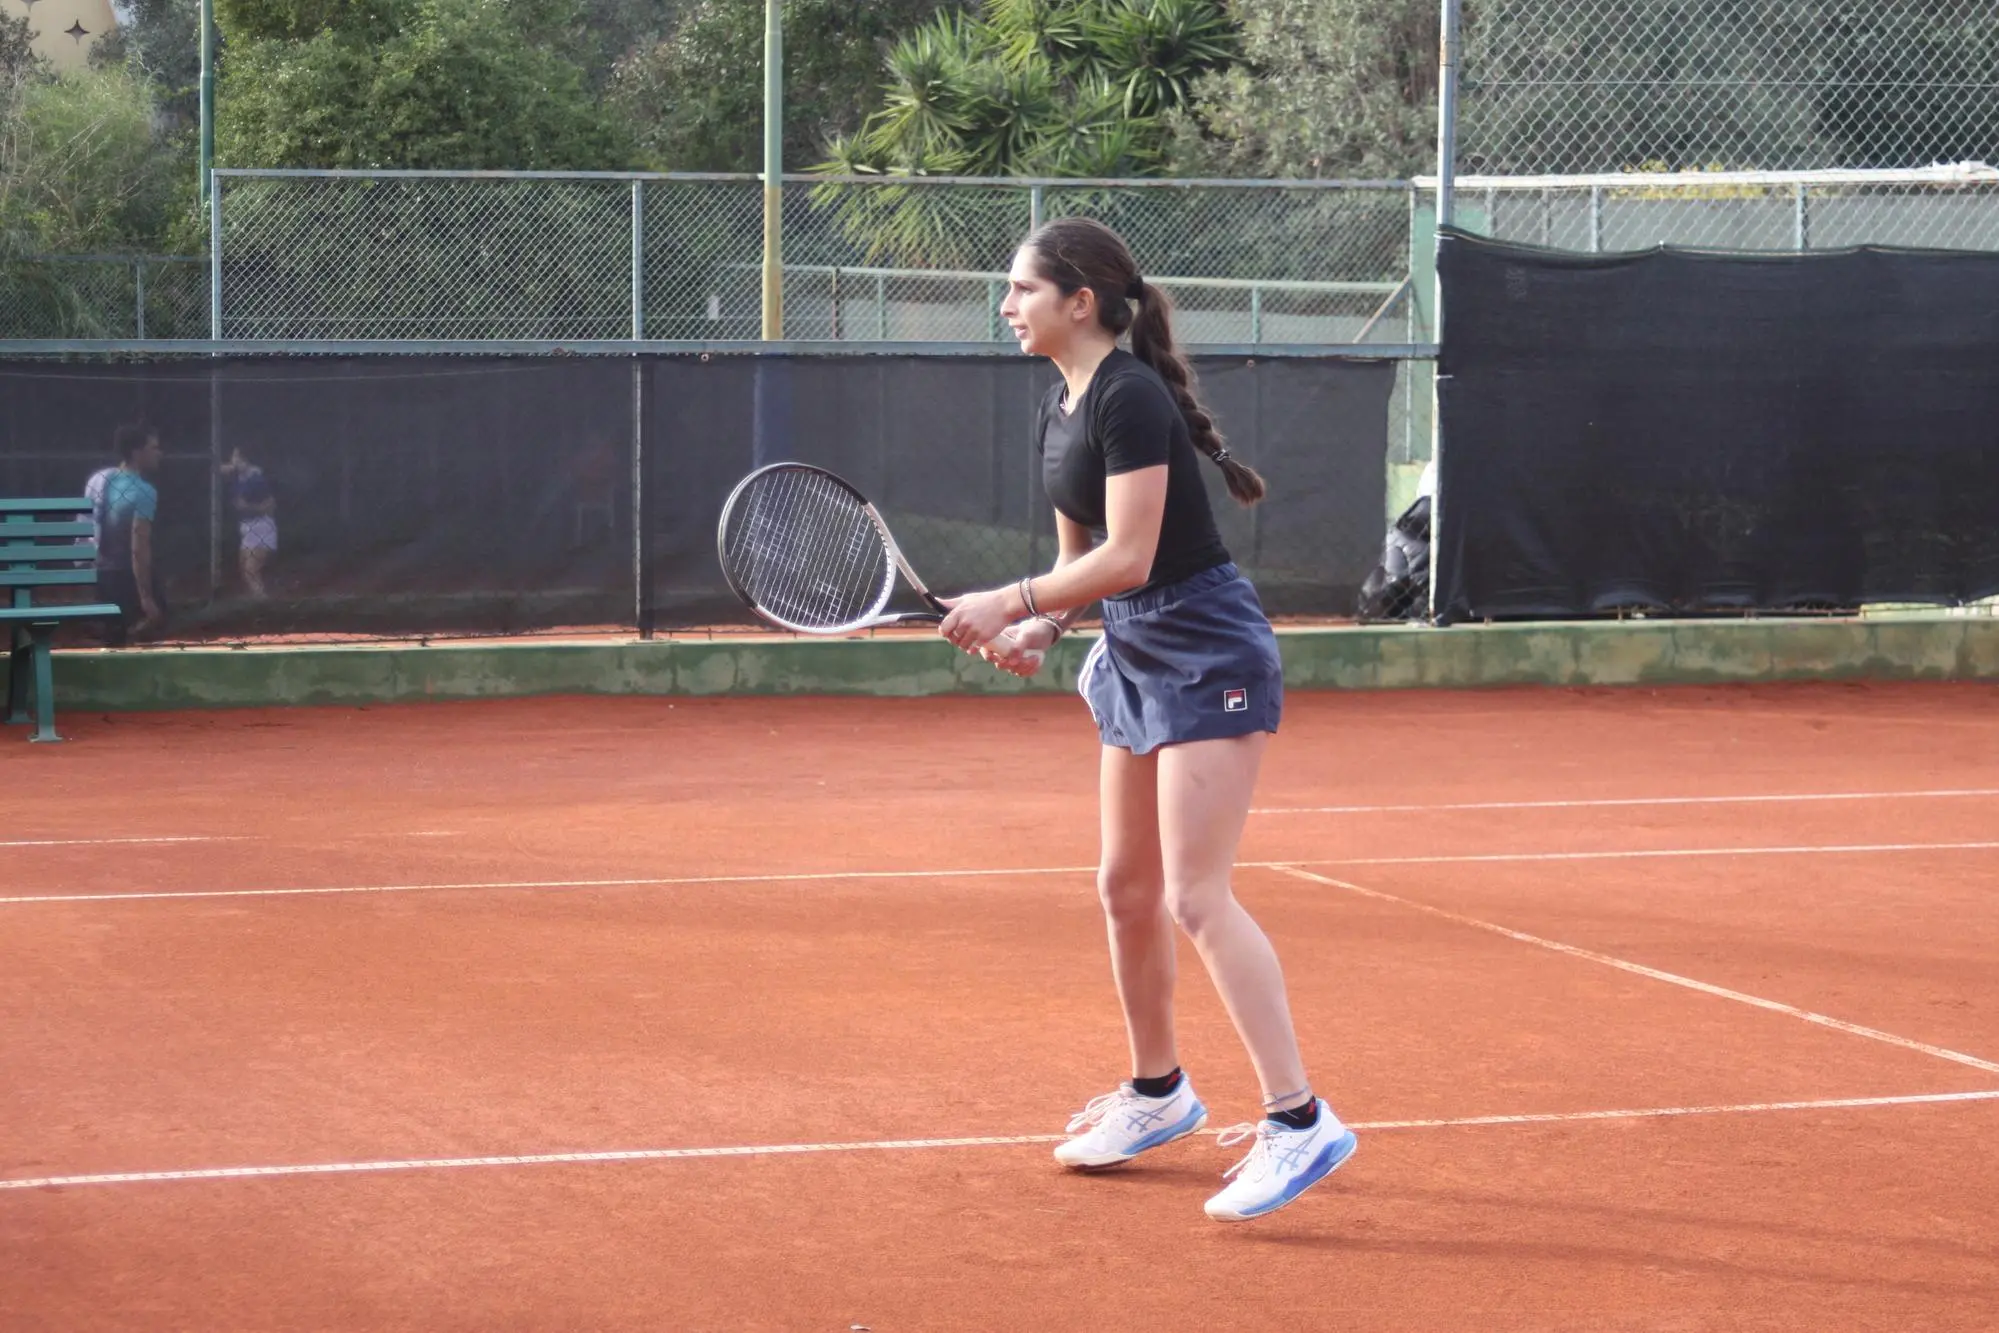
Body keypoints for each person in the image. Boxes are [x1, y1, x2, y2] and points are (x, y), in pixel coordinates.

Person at [937, 217, 1356, 1223]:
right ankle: (1158, 1092)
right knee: (1124, 887)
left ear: (1079, 301)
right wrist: (1041, 627)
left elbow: (1129, 552)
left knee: (1195, 894)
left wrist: (1010, 601)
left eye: (1021, 290)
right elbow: (1083, 571)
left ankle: (1300, 1121)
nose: (1007, 307)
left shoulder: (1126, 395)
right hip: (1129, 645)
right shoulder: (1060, 403)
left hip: (1206, 644)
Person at [96, 423, 164, 645]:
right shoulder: (144, 491)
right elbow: (138, 548)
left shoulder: (105, 481)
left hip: (104, 576)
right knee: (159, 618)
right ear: (137, 452)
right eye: (153, 448)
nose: (159, 453)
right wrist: (146, 597)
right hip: (128, 578)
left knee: (113, 637)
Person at [219, 447, 278, 597]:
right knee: (245, 571)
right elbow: (216, 470)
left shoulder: (256, 478)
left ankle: (264, 604)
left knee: (251, 571)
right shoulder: (239, 477)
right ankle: (259, 601)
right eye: (233, 457)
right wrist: (231, 467)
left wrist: (249, 507)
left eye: (237, 457)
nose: (234, 461)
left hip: (261, 526)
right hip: (246, 527)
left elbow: (271, 505)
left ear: (246, 460)